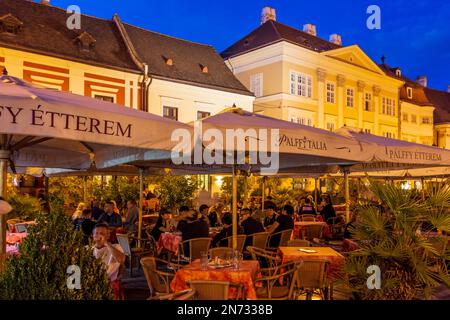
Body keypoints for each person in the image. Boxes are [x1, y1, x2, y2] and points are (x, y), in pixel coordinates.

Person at [92, 223, 126, 299]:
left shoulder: (116, 247)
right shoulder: (88, 249)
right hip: (92, 284)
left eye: (102, 234)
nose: (99, 236)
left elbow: (121, 260)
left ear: (108, 236)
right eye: (96, 233)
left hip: (109, 284)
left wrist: (106, 243)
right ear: (93, 236)